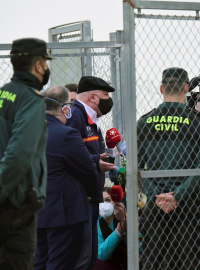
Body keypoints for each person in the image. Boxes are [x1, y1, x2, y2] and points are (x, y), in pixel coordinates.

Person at [137, 67, 200, 269]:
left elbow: (134, 168)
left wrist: (156, 195)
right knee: (190, 262)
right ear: (186, 88)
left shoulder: (145, 122)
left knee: (152, 260)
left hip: (155, 202)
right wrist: (178, 195)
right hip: (188, 203)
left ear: (161, 88)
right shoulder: (196, 123)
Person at [34, 86, 115, 269]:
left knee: (39, 261)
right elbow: (86, 168)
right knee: (60, 261)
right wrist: (89, 192)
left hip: (33, 210)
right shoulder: (66, 134)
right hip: (62, 213)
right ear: (65, 108)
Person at [0, 38, 53, 270]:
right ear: (39, 65)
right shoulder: (31, 100)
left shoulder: (3, 94)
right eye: (46, 62)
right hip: (16, 204)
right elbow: (19, 156)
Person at [66, 76, 115, 269]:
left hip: (92, 196)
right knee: (80, 256)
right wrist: (96, 162)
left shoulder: (91, 119)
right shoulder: (74, 115)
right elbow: (69, 155)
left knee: (90, 255)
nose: (107, 99)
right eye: (105, 95)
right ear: (93, 97)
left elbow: (92, 152)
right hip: (81, 197)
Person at [92, 187, 127, 270]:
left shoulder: (123, 216)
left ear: (114, 202)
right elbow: (100, 254)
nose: (104, 204)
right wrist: (118, 232)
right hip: (111, 262)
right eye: (101, 200)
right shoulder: (97, 221)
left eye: (108, 200)